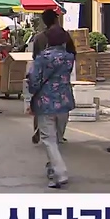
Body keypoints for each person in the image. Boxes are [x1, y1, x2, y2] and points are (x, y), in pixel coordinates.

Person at [27, 26, 75, 189]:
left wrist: (31, 94)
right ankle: (53, 169)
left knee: (49, 140)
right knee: (56, 139)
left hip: (45, 102)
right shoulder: (69, 57)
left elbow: (34, 80)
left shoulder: (43, 57)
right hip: (64, 102)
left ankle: (60, 172)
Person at [31, 10, 75, 144]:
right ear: (56, 19)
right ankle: (59, 135)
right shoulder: (64, 35)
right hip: (61, 79)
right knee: (62, 109)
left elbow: (35, 57)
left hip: (43, 80)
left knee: (41, 107)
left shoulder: (39, 37)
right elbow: (73, 53)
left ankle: (40, 129)